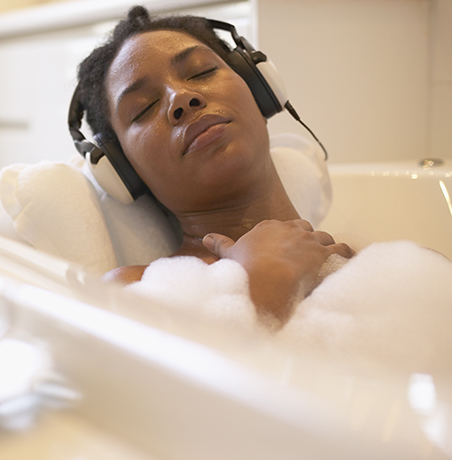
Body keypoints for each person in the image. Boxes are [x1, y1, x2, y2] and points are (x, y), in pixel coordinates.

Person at [73, 6, 354, 326]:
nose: (181, 97)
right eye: (144, 108)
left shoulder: (370, 264)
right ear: (124, 169)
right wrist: (259, 285)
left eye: (201, 72)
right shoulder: (131, 293)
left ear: (259, 89)